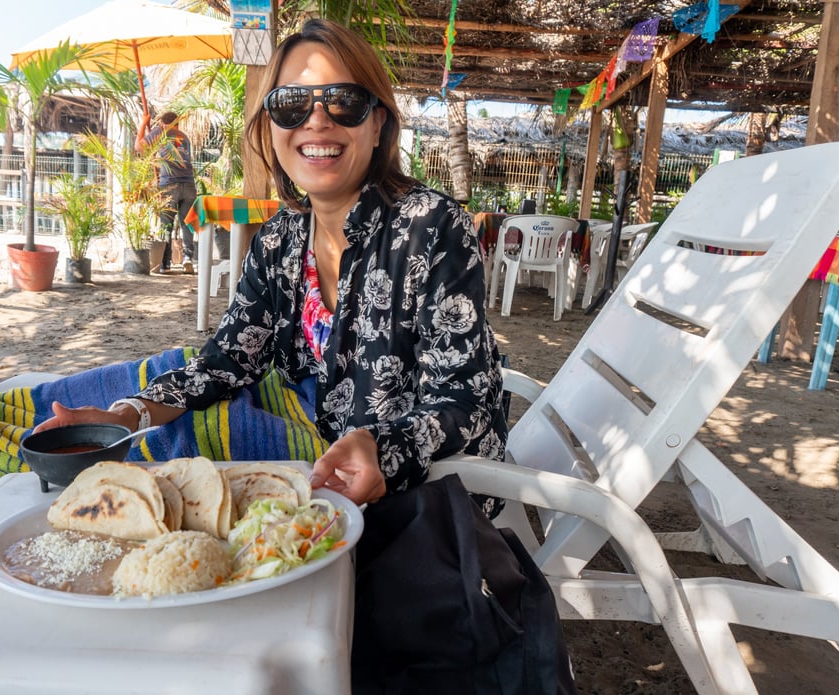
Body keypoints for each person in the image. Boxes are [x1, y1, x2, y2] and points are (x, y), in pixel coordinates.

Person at [36, 18, 509, 507]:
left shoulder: (433, 227)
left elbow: (462, 402)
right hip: (314, 434)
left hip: (410, 487)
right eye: (291, 105)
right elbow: (228, 359)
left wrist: (380, 446)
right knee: (157, 384)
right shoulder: (281, 238)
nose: (317, 121)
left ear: (377, 123)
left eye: (344, 101)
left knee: (181, 444)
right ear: (270, 126)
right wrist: (130, 415)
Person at [135, 110, 198, 273]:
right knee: (187, 224)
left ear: (163, 123)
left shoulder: (161, 131)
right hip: (189, 184)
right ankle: (187, 259)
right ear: (177, 123)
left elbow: (139, 147)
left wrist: (143, 123)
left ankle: (165, 263)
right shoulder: (184, 137)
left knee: (166, 224)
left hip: (170, 184)